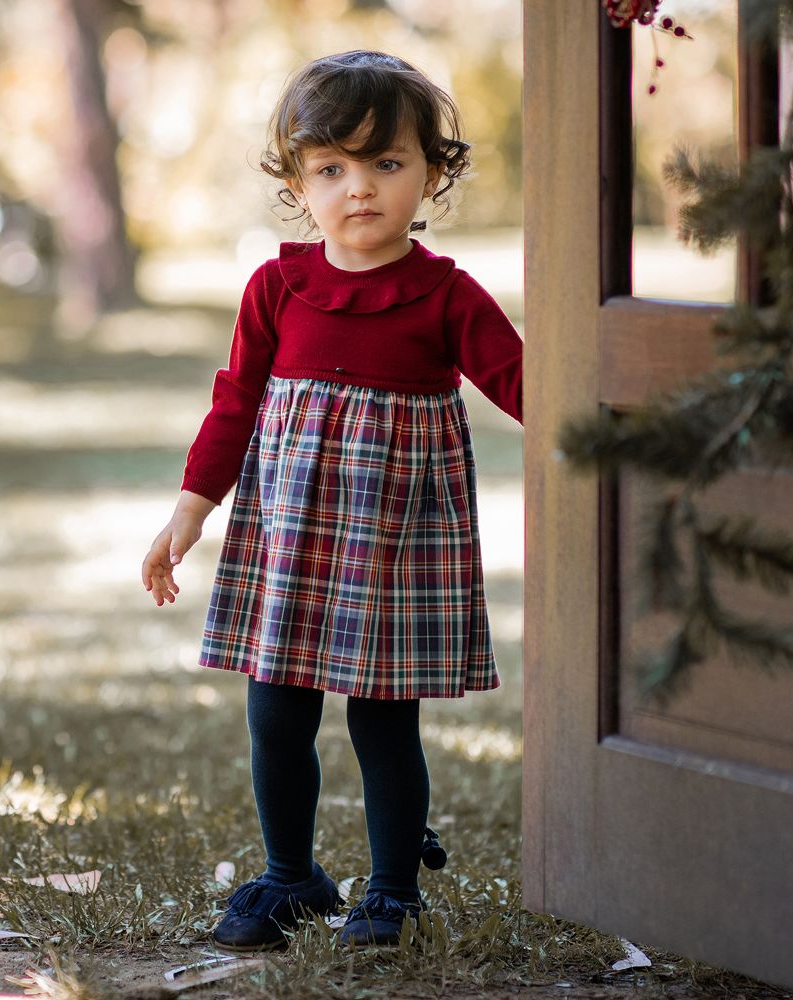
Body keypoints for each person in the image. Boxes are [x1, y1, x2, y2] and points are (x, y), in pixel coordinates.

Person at [141, 49, 523, 950]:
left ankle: (392, 890)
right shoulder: (278, 288)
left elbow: (527, 386)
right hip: (291, 539)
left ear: (433, 169)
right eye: (331, 168)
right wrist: (189, 513)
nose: (360, 189)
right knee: (276, 712)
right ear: (297, 182)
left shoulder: (447, 296)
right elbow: (234, 402)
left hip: (394, 543)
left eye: (387, 163)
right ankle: (291, 876)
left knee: (381, 717)